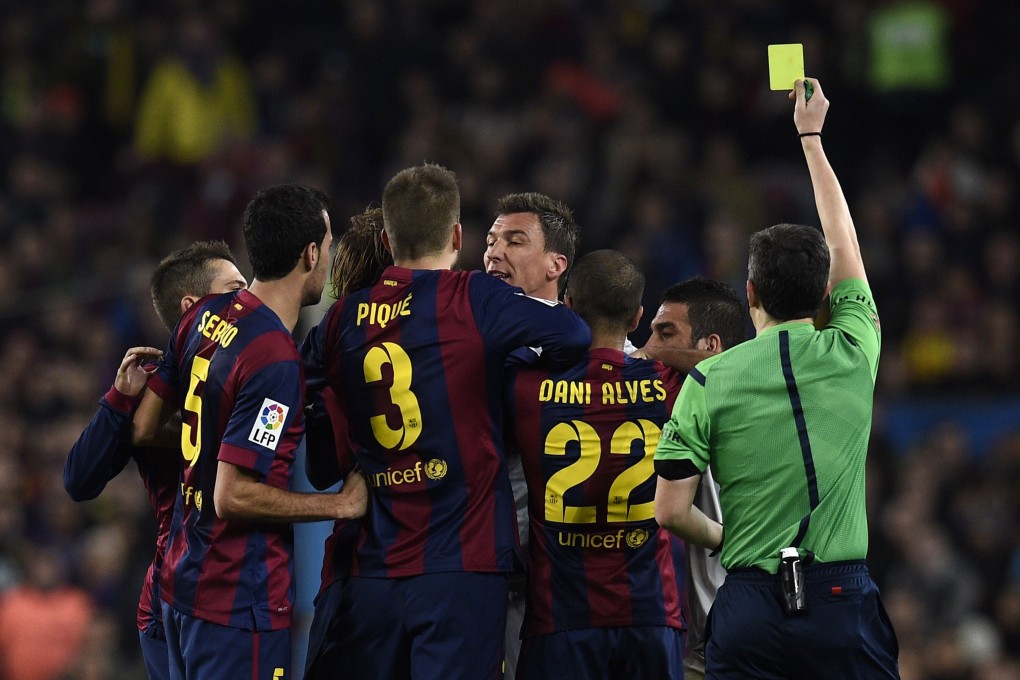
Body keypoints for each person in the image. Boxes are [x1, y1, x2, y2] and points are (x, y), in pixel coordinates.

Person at [300, 163, 591, 679]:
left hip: (373, 566)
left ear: (388, 239)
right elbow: (571, 334)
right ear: (458, 235)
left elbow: (306, 388)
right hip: (463, 562)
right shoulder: (473, 298)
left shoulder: (342, 317)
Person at [653, 78, 900, 678]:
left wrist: (730, 540)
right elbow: (844, 241)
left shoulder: (709, 380)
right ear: (824, 294)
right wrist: (811, 139)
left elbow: (670, 512)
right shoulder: (853, 347)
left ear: (750, 292)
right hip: (841, 600)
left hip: (750, 603)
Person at [132, 184, 368, 680]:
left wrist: (216, 445)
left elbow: (145, 425)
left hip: (180, 587)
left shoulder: (202, 316)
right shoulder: (274, 359)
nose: (328, 257)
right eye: (327, 246)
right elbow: (233, 495)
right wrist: (339, 505)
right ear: (310, 254)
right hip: (235, 604)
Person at [63, 239, 247, 680]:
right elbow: (78, 480)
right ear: (195, 305)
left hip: (232, 587)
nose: (248, 300)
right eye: (235, 288)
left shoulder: (257, 366)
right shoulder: (156, 390)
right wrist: (118, 399)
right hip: (179, 598)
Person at [506, 249, 686, 679]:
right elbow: (725, 363)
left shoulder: (527, 387)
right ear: (637, 317)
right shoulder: (668, 382)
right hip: (650, 613)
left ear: (567, 306)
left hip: (560, 618)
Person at [484, 191, 580, 679]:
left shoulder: (598, 348)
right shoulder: (466, 333)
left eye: (514, 241)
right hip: (485, 572)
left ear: (554, 264)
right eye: (492, 240)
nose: (495, 252)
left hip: (574, 587)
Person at [642, 277, 749, 680]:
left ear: (711, 346)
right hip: (703, 636)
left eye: (665, 333)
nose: (650, 346)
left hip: (733, 633)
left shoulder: (727, 404)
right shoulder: (677, 393)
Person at [302, 206, 391, 680]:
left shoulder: (330, 340)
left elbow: (322, 466)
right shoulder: (461, 332)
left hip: (358, 567)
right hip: (447, 570)